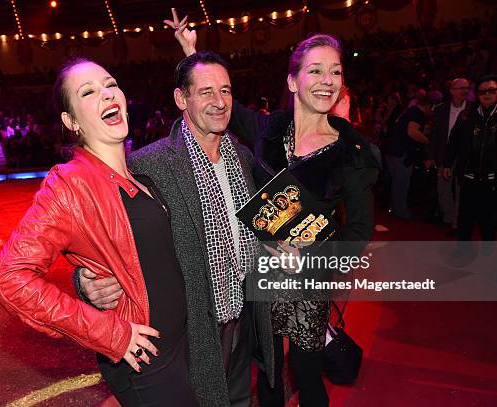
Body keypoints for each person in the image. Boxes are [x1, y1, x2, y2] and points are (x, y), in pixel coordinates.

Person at [168, 14, 378, 406]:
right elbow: (215, 102)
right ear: (292, 81)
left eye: (335, 71)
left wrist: (313, 258)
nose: (326, 80)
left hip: (307, 280)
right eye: (315, 70)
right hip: (257, 271)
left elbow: (360, 231)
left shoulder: (352, 154)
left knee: (307, 375)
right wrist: (191, 51)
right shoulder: (268, 129)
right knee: (266, 373)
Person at [0, 57, 198, 407]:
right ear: (71, 122)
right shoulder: (69, 184)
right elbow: (8, 278)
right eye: (88, 92)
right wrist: (109, 334)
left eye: (111, 84)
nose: (107, 94)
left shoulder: (140, 175)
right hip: (145, 361)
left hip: (180, 345)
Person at [76, 50, 275, 406]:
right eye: (206, 92)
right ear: (181, 98)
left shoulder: (243, 158)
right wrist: (83, 280)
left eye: (226, 91)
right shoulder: (147, 166)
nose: (219, 102)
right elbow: (101, 237)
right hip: (192, 334)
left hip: (244, 319)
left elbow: (267, 226)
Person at [443, 74, 497, 243]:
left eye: (491, 91)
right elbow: (453, 141)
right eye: (482, 92)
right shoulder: (467, 115)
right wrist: (447, 163)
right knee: (464, 220)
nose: (487, 95)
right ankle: (463, 254)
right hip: (468, 178)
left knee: (488, 223)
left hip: (492, 182)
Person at [427, 78, 472, 233]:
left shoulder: (474, 109)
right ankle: (449, 216)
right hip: (444, 154)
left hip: (465, 156)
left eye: (467, 87)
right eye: (461, 87)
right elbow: (434, 135)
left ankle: (457, 222)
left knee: (462, 190)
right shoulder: (440, 109)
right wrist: (431, 156)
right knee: (443, 188)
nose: (465, 90)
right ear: (452, 90)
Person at [383, 89, 431, 219]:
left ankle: (394, 208)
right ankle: (401, 211)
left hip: (391, 150)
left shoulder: (410, 111)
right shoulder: (417, 114)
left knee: (396, 182)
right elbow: (412, 132)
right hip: (400, 153)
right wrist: (427, 141)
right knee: (401, 183)